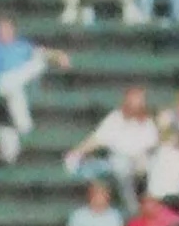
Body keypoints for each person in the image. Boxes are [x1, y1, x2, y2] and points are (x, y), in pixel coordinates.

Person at [0, 16, 69, 136]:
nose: (2, 32)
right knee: (17, 86)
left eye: (6, 28)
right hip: (1, 80)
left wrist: (59, 55)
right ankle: (26, 131)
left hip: (19, 80)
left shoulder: (22, 45)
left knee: (38, 62)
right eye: (0, 29)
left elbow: (43, 52)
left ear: (13, 30)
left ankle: (25, 129)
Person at [64, 84, 159, 213]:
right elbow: (96, 140)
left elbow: (152, 146)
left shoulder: (148, 122)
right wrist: (76, 151)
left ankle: (148, 206)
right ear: (126, 100)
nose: (137, 104)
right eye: (134, 99)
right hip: (119, 162)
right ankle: (133, 209)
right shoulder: (115, 119)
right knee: (118, 165)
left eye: (140, 100)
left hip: (142, 164)